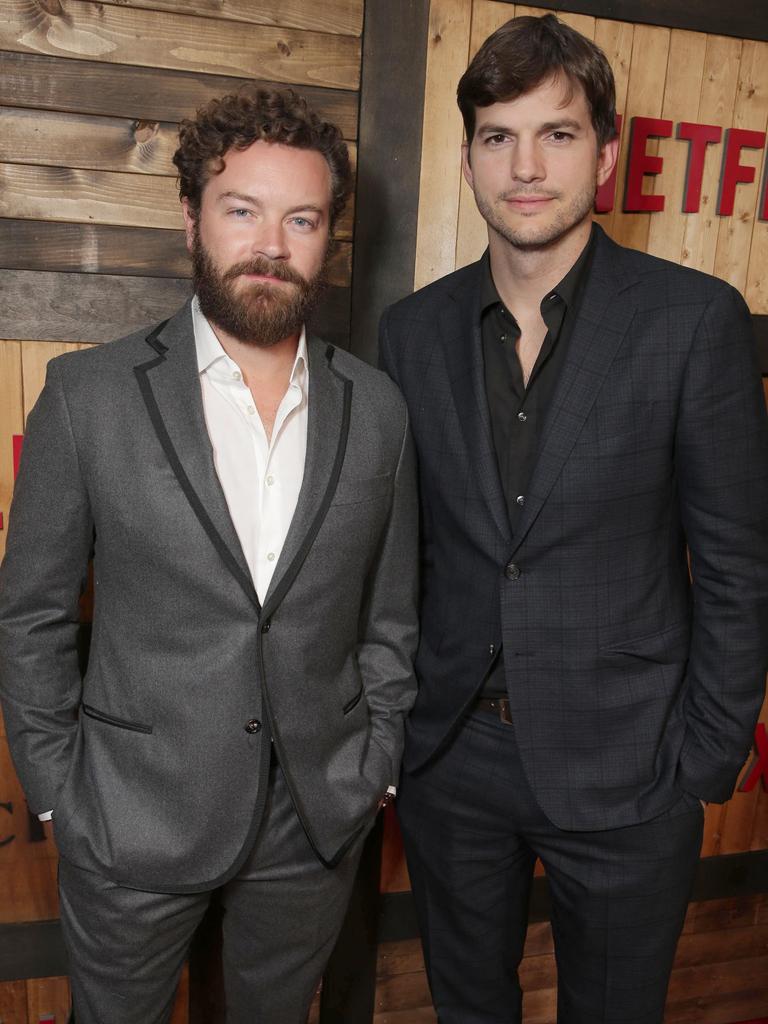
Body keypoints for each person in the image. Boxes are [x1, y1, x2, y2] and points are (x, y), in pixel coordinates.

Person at [379, 15, 768, 1023]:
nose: (525, 166)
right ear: (467, 157)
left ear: (604, 151)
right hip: (452, 754)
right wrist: (403, 730)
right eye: (498, 136)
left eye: (556, 133)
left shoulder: (694, 321)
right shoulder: (412, 331)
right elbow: (400, 554)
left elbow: (736, 562)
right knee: (469, 1007)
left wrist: (703, 757)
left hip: (633, 762)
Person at [0, 86, 418, 1024]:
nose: (271, 243)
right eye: (242, 210)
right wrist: (66, 797)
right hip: (130, 814)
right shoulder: (86, 396)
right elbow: (28, 615)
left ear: (328, 237)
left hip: (315, 816)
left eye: (300, 218)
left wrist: (373, 761)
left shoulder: (379, 410)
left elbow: (391, 617)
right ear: (190, 217)